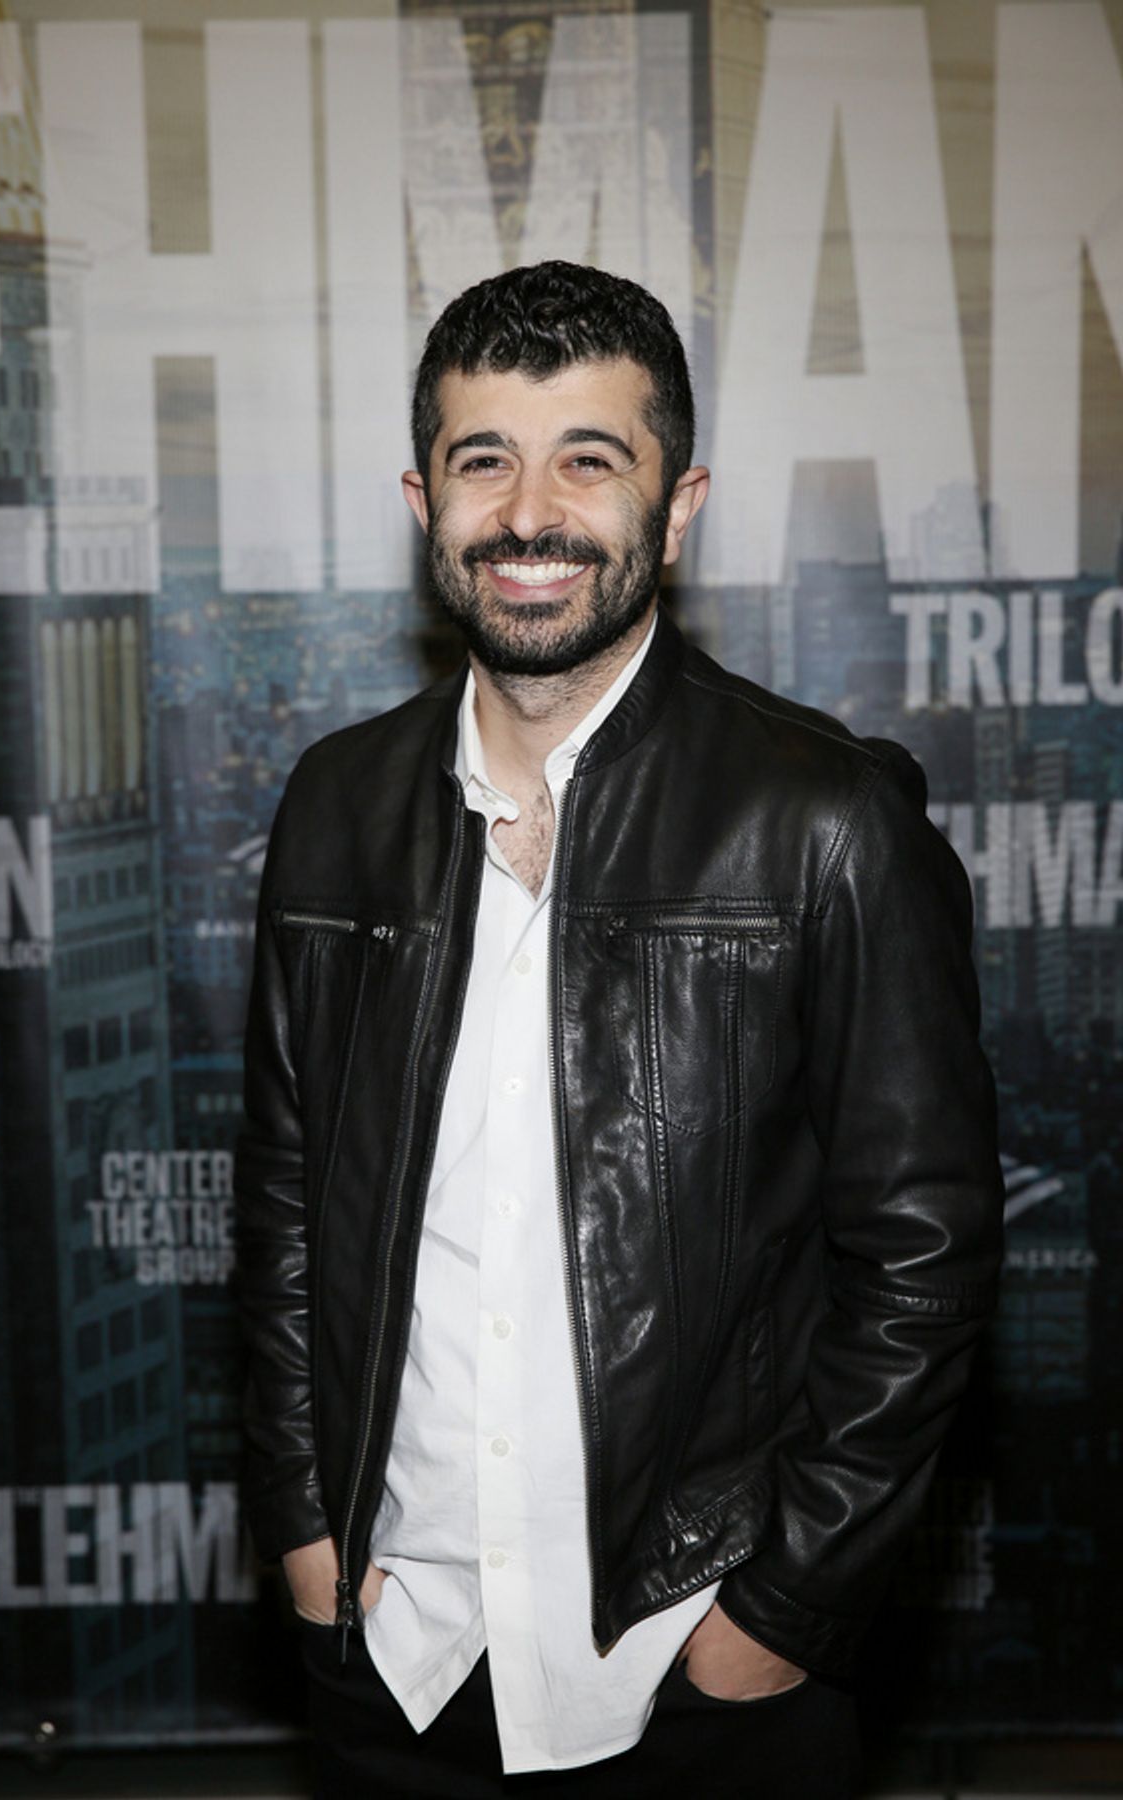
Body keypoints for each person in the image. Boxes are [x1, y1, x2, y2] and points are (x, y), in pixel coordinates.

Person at [235, 260, 1002, 1799]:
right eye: (483, 460)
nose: (531, 513)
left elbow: (924, 1257)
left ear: (681, 497)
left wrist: (777, 1610)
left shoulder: (824, 822)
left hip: (693, 1671)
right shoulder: (336, 804)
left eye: (590, 457)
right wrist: (311, 1533)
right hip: (401, 1652)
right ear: (422, 494)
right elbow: (284, 1208)